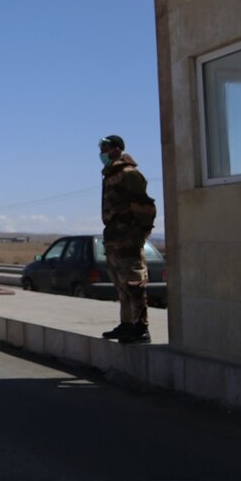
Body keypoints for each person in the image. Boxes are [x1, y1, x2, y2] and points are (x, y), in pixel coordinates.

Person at [98, 135, 157, 344]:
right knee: (121, 285)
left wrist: (140, 233)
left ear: (116, 149)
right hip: (114, 238)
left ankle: (141, 327)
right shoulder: (110, 175)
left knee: (134, 283)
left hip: (128, 238)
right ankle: (126, 324)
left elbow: (145, 206)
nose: (101, 152)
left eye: (104, 147)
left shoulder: (129, 174)